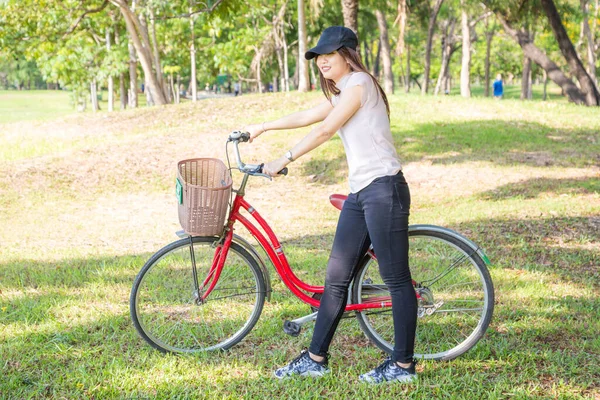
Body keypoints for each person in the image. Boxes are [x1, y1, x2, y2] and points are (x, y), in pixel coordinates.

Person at [243, 26, 417, 384]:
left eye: (329, 54)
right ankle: (315, 358)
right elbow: (309, 116)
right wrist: (261, 127)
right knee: (336, 280)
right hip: (361, 194)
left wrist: (283, 158)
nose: (322, 60)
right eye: (318, 56)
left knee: (397, 279)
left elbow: (324, 131)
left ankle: (403, 367)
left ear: (348, 54)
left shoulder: (360, 84)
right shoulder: (343, 92)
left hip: (384, 189)